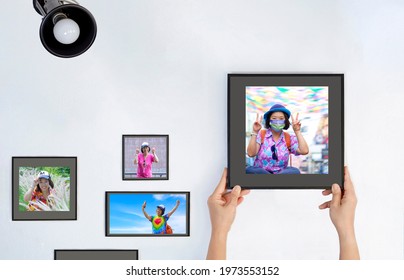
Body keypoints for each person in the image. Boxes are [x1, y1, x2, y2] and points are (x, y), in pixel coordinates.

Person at [206, 167, 359, 260]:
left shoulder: (287, 139)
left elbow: (302, 150)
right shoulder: (262, 137)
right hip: (262, 171)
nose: (277, 122)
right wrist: (346, 228)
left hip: (280, 171)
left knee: (291, 171)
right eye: (274, 119)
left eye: (280, 119)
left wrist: (220, 230)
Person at [246, 104, 309, 174]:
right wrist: (255, 132)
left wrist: (297, 131)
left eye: (281, 118)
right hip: (262, 175)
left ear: (285, 121)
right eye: (274, 118)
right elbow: (251, 154)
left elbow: (304, 151)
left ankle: (274, 182)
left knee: (295, 171)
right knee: (250, 169)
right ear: (269, 120)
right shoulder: (261, 134)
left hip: (281, 177)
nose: (277, 121)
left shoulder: (289, 138)